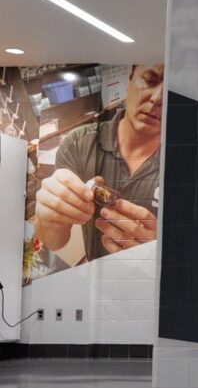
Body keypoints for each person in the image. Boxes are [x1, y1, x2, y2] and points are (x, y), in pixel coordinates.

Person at [34, 65, 164, 261]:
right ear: (128, 81)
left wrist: (164, 256)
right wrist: (47, 217)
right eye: (150, 80)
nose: (158, 98)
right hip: (95, 280)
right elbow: (54, 242)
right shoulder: (78, 144)